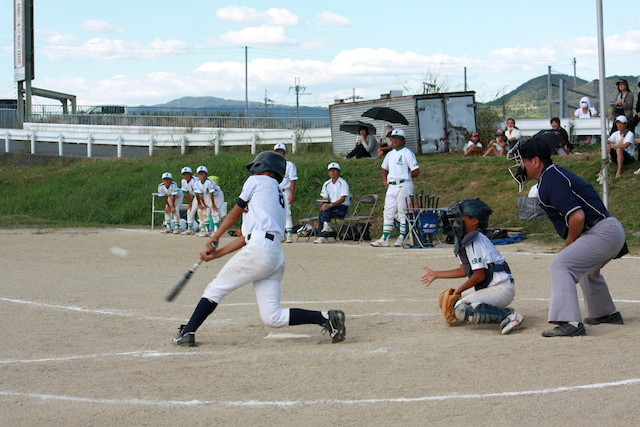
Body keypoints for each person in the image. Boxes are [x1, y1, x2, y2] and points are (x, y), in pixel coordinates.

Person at [173, 151, 346, 347]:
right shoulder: (275, 197)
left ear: (263, 166)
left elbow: (232, 215)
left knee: (215, 290)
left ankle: (188, 332)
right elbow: (247, 237)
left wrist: (215, 237)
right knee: (272, 317)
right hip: (274, 256)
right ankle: (327, 317)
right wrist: (216, 255)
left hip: (260, 250)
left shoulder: (256, 181)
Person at [508, 138, 626, 337]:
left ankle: (569, 322)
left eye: (523, 161)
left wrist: (570, 242)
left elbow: (577, 216)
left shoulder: (550, 179)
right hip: (610, 229)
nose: (520, 166)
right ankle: (605, 313)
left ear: (536, 161)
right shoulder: (553, 175)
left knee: (561, 264)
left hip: (602, 231)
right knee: (586, 269)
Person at [420, 199, 524, 335]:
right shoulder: (466, 238)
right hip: (491, 286)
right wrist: (437, 274)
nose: (455, 221)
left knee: (462, 308)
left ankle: (509, 316)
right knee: (454, 301)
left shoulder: (474, 240)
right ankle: (483, 311)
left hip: (501, 289)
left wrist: (459, 290)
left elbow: (479, 275)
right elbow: (465, 270)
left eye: (459, 217)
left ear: (474, 220)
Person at [371, 129, 420, 247]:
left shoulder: (407, 153)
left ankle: (402, 236)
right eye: (393, 138)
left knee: (402, 211)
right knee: (388, 211)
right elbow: (384, 168)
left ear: (403, 140)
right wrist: (384, 180)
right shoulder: (390, 154)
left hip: (404, 184)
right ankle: (385, 237)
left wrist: (406, 176)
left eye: (397, 138)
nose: (394, 140)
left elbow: (416, 171)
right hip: (392, 185)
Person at [313, 162, 351, 244]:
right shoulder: (327, 183)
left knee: (325, 210)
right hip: (332, 207)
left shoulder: (343, 183)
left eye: (335, 170)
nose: (332, 172)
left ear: (339, 172)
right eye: (331, 171)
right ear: (328, 172)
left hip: (342, 207)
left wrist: (330, 205)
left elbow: (343, 199)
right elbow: (324, 198)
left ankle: (323, 236)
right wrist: (325, 204)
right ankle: (325, 229)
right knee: (323, 209)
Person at [274, 143, 298, 243]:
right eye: (277, 151)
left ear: (284, 153)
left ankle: (289, 234)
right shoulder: (272, 164)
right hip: (275, 191)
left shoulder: (289, 165)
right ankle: (280, 233)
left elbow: (293, 180)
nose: (279, 153)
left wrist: (292, 194)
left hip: (286, 191)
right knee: (276, 212)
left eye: (281, 151)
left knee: (287, 212)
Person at [194, 165, 217, 238]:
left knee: (214, 212)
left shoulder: (209, 182)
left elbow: (212, 194)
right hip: (206, 196)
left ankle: (216, 231)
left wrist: (213, 205)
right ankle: (206, 230)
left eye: (203, 173)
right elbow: (199, 195)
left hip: (217, 195)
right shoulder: (197, 183)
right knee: (204, 210)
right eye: (200, 174)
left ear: (206, 175)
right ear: (197, 175)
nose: (201, 175)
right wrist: (201, 204)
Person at [180, 166, 198, 235]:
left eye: (187, 174)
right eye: (184, 174)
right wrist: (190, 204)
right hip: (197, 196)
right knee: (190, 210)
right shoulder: (183, 181)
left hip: (205, 195)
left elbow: (199, 193)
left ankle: (206, 229)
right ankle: (190, 229)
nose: (186, 176)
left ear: (191, 174)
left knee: (202, 211)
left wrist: (200, 204)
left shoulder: (195, 181)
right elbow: (186, 193)